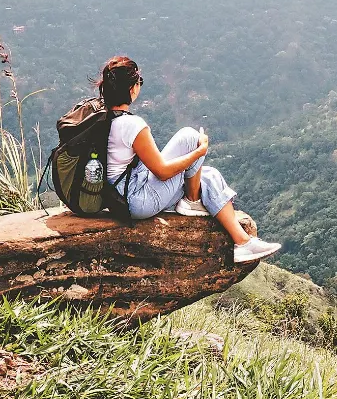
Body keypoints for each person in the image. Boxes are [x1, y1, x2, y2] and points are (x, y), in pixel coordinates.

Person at [97, 55, 280, 263]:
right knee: (191, 138)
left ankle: (243, 242)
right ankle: (192, 202)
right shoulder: (132, 125)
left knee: (208, 175)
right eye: (139, 82)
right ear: (132, 88)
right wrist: (198, 153)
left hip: (120, 194)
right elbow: (162, 171)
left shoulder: (102, 118)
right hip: (137, 201)